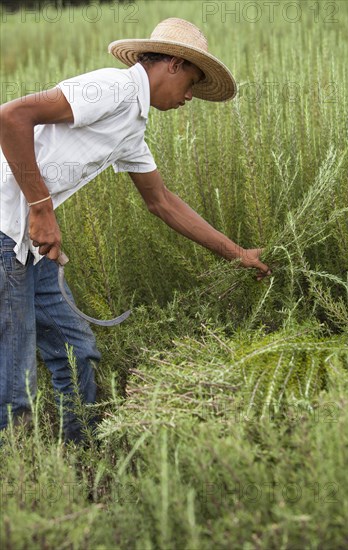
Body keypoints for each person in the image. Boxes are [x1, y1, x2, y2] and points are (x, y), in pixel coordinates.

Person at [0, 18, 271, 442]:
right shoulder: (113, 88)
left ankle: (84, 454)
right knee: (14, 383)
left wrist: (237, 254)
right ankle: (17, 483)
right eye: (192, 84)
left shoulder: (132, 128)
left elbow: (162, 202)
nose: (189, 98)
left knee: (78, 353)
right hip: (4, 235)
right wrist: (41, 207)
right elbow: (12, 115)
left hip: (29, 246)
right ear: (175, 65)